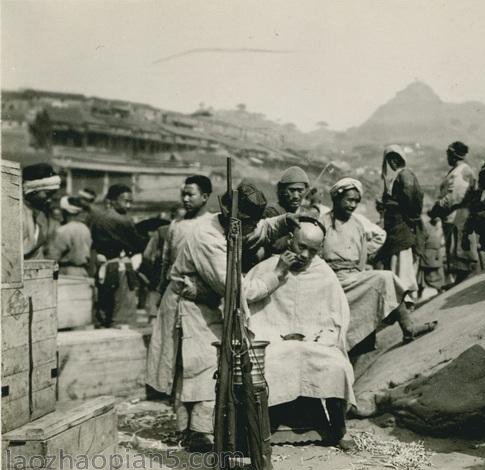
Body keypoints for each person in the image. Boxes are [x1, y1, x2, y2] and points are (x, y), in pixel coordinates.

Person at [145, 181, 300, 452]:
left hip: (202, 303)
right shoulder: (208, 238)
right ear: (229, 215)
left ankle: (192, 430)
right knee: (202, 363)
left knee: (197, 366)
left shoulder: (231, 226)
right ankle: (196, 432)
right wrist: (277, 274)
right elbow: (239, 289)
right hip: (189, 304)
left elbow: (260, 229)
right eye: (245, 223)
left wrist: (287, 220)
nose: (249, 229)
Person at [245, 218, 356, 448]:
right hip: (273, 341)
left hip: (314, 343)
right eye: (301, 247)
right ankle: (258, 430)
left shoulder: (323, 273)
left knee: (336, 365)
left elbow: (336, 317)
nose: (305, 255)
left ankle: (339, 429)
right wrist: (279, 272)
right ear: (289, 240)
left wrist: (319, 337)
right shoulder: (268, 267)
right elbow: (249, 307)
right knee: (272, 360)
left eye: (312, 251)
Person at [319, 178, 436, 351]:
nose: (353, 205)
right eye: (349, 200)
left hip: (354, 276)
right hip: (331, 278)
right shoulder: (322, 223)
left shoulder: (358, 223)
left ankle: (408, 327)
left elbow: (373, 242)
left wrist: (365, 260)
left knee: (385, 277)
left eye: (356, 201)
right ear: (337, 198)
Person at [87, 184, 147, 327]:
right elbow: (137, 243)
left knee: (104, 303)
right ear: (112, 200)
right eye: (124, 200)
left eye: (130, 201)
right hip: (120, 266)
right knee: (122, 305)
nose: (128, 204)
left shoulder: (95, 218)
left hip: (101, 265)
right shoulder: (123, 220)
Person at [428, 142, 480, 286]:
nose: (447, 158)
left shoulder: (460, 172)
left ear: (453, 155)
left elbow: (454, 197)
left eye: (448, 154)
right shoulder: (457, 171)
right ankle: (461, 281)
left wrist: (436, 208)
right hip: (453, 217)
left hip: (458, 217)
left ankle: (464, 282)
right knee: (456, 253)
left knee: (461, 254)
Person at [376, 145, 424, 300]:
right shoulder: (395, 177)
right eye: (390, 159)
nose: (392, 162)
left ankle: (405, 297)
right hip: (395, 227)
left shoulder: (405, 175)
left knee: (402, 263)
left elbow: (411, 201)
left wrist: (394, 206)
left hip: (402, 226)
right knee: (397, 262)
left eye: (395, 158)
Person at [21, 163, 61, 259]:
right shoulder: (16, 211)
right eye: (47, 194)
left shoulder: (41, 214)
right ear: (32, 190)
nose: (50, 199)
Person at [46, 196, 92, 276]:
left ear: (66, 212)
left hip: (66, 272)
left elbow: (53, 256)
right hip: (83, 271)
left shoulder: (63, 230)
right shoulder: (85, 228)